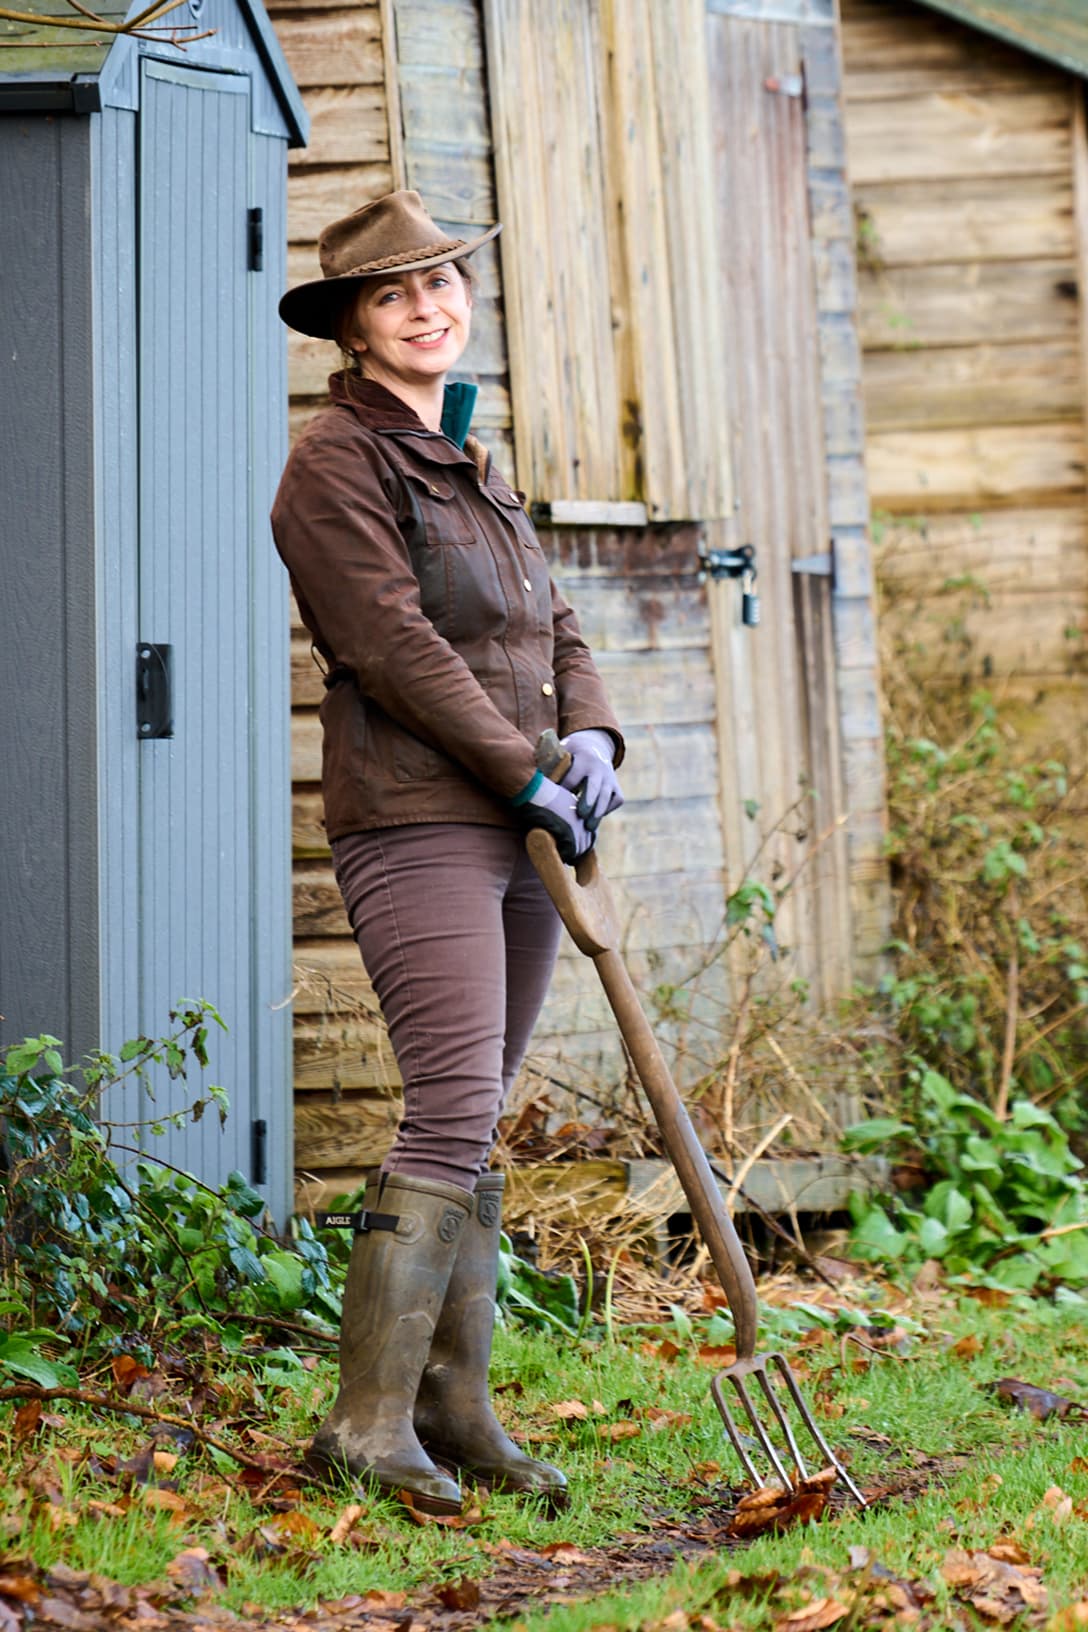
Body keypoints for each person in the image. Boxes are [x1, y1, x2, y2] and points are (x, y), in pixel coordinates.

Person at [272, 192, 624, 1514]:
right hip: (421, 812)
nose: (431, 304)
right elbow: (393, 650)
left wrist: (591, 742)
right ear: (354, 330)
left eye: (443, 281)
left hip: (522, 810)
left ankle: (456, 1412)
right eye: (394, 292)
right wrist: (523, 769)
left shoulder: (468, 458)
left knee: (475, 1121)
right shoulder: (335, 467)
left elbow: (554, 617)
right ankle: (366, 1429)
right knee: (449, 1105)